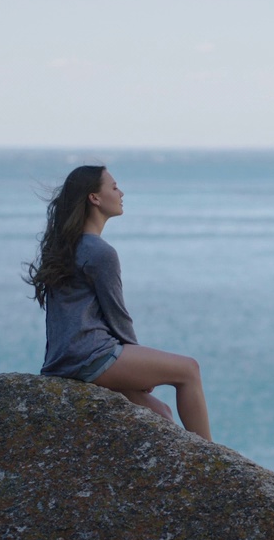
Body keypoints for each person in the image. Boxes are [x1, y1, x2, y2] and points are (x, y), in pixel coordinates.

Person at [26, 165, 212, 441]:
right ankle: (210, 458)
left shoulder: (64, 246)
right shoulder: (100, 252)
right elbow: (118, 316)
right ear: (95, 198)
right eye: (114, 187)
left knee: (160, 413)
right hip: (89, 357)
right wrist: (140, 373)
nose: (121, 192)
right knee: (189, 370)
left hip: (63, 359)